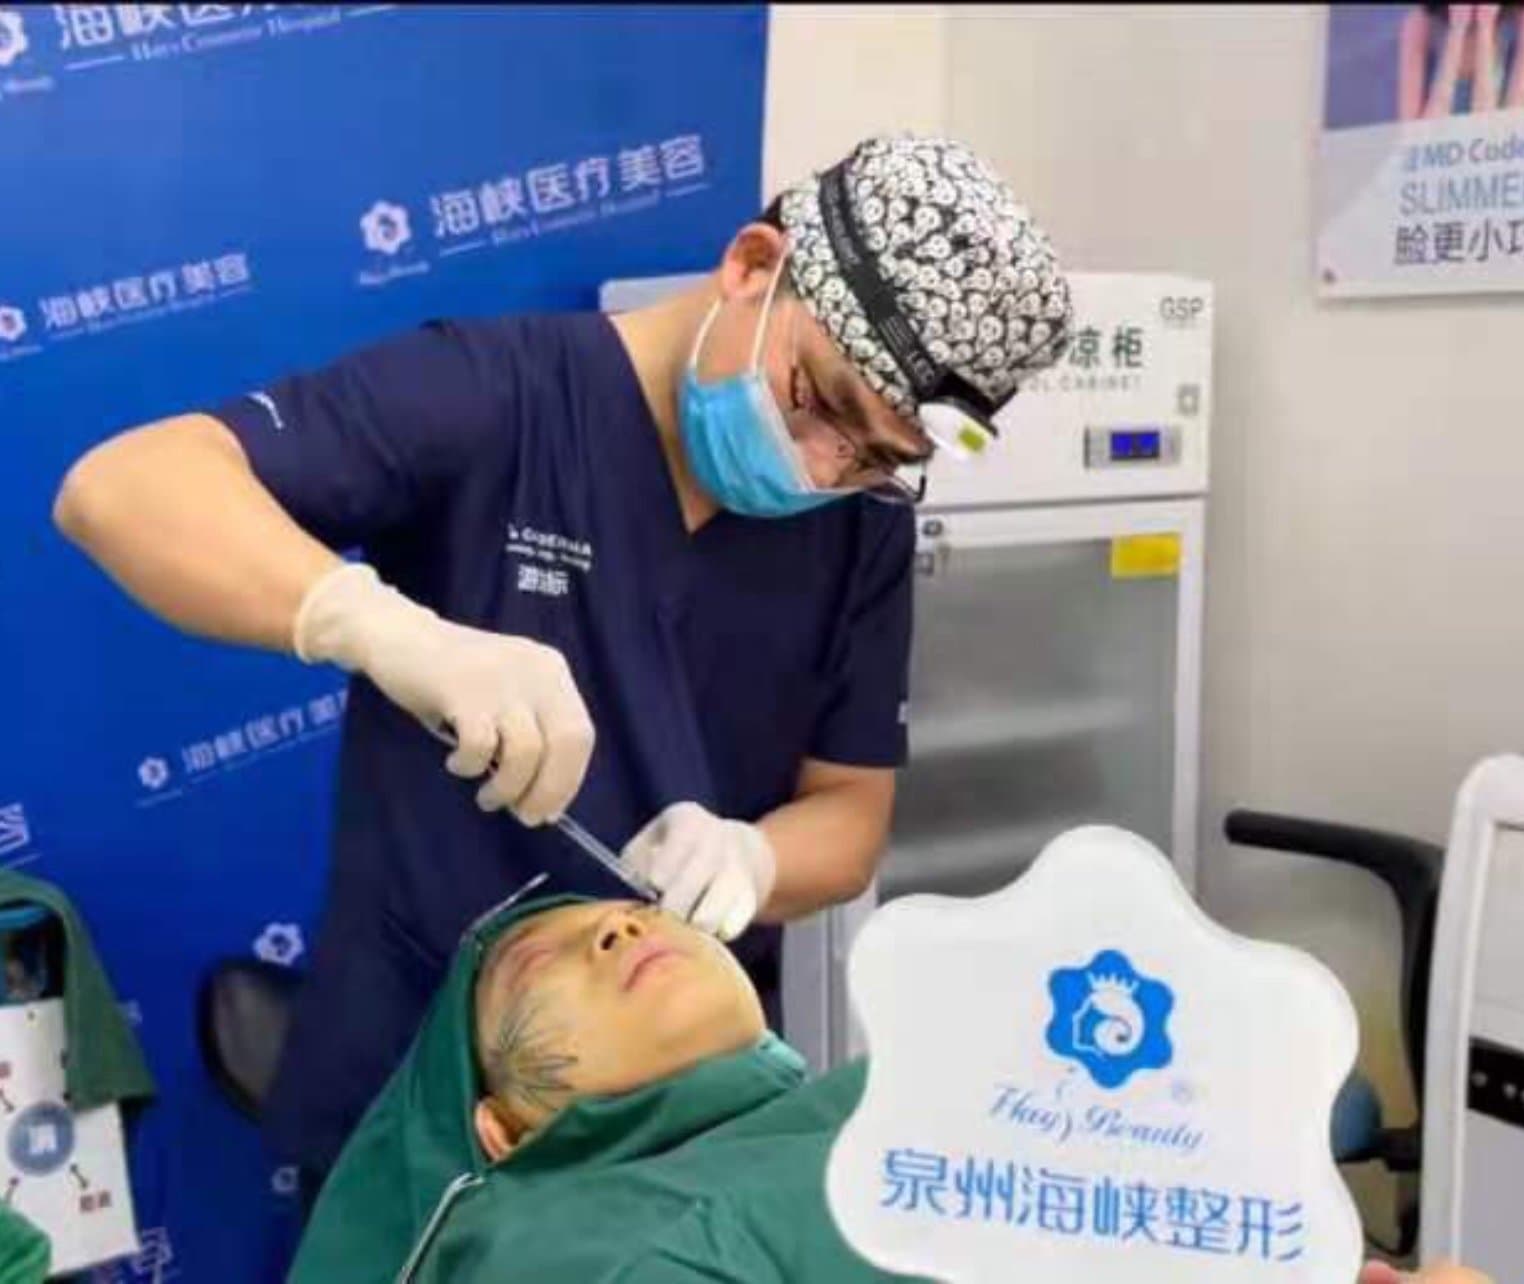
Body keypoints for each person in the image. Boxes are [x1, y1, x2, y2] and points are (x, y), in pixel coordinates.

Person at [52, 135, 1075, 1193]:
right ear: (750, 265)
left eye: (877, 458)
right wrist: (387, 630)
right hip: (426, 1081)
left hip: (680, 1114)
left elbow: (849, 820)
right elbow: (121, 489)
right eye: (817, 400)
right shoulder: (497, 395)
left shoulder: (858, 527)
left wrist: (754, 859)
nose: (823, 468)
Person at [294, 895, 1496, 1284]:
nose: (614, 930)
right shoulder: (585, 1247)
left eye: (628, 912)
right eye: (541, 966)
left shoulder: (888, 1096)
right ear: (499, 1129)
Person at [1398, 4, 1524, 121]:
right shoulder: (1421, 21)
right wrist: (1457, 31)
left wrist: (1485, 27)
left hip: (1496, 146)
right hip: (1438, 147)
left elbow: (1506, 129)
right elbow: (1414, 137)